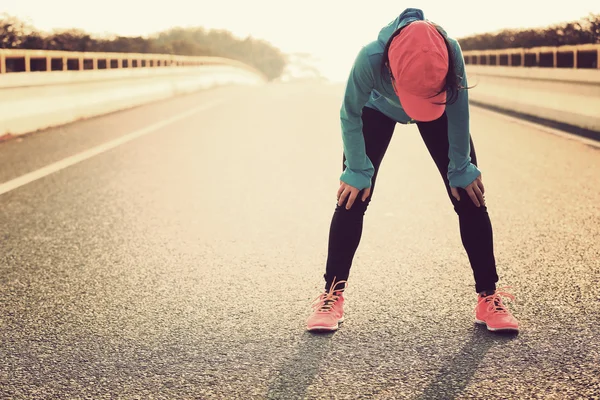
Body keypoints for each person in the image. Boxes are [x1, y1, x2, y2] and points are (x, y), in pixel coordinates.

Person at [306, 8, 519, 333]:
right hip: (377, 109)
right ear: (389, 69)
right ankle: (332, 295)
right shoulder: (370, 58)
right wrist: (359, 169)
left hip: (437, 107)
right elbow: (349, 113)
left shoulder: (449, 51)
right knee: (353, 195)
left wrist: (460, 167)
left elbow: (459, 111)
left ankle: (488, 297)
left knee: (469, 192)